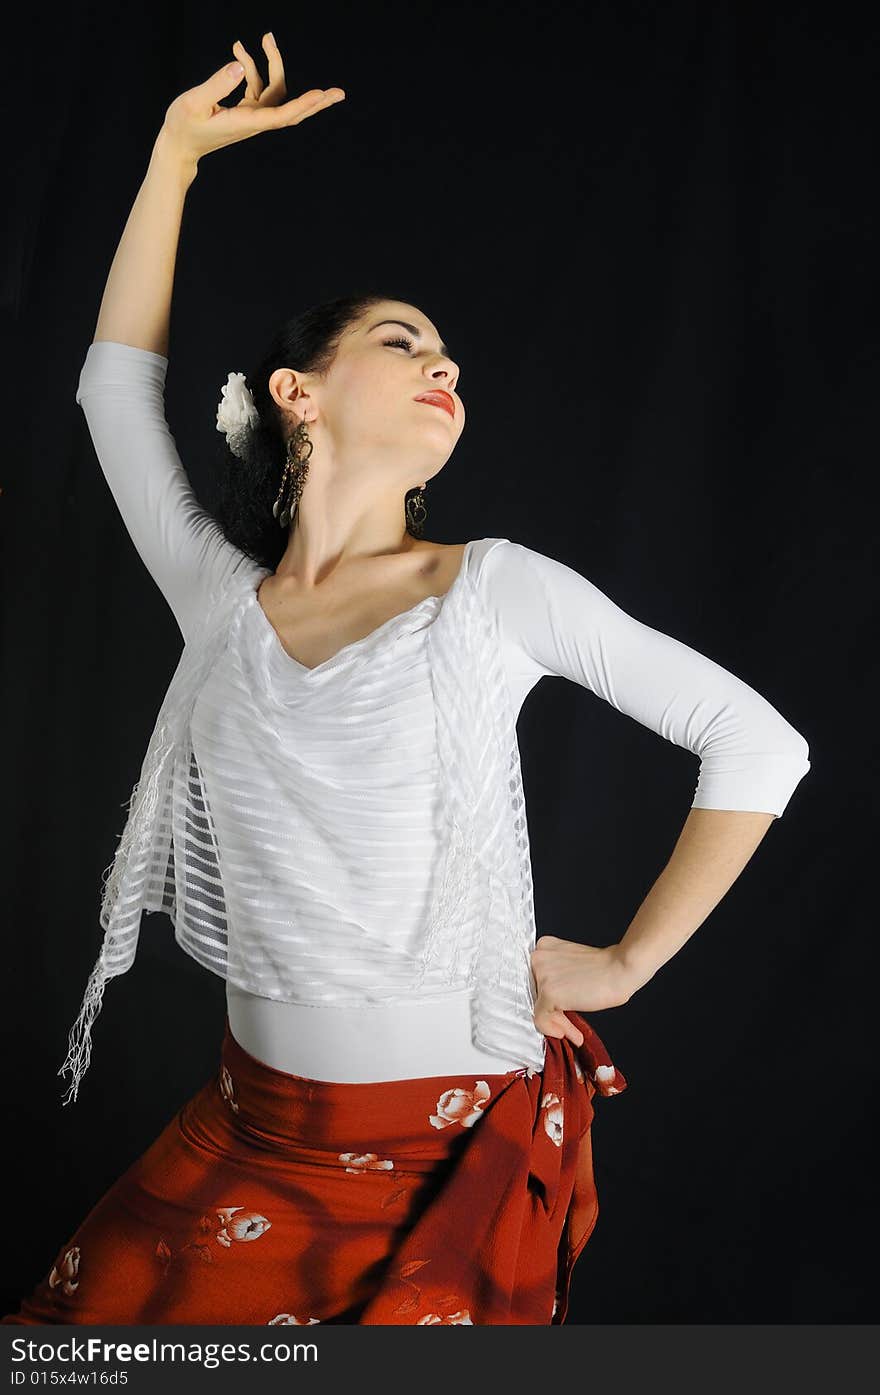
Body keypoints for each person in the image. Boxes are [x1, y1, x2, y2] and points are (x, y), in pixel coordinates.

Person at [3, 36, 810, 1327]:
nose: (444, 366)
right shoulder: (219, 602)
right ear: (297, 394)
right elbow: (113, 393)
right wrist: (171, 160)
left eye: (450, 361)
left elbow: (757, 743)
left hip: (448, 1153)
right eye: (402, 342)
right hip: (253, 1129)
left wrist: (628, 963)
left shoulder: (488, 591)